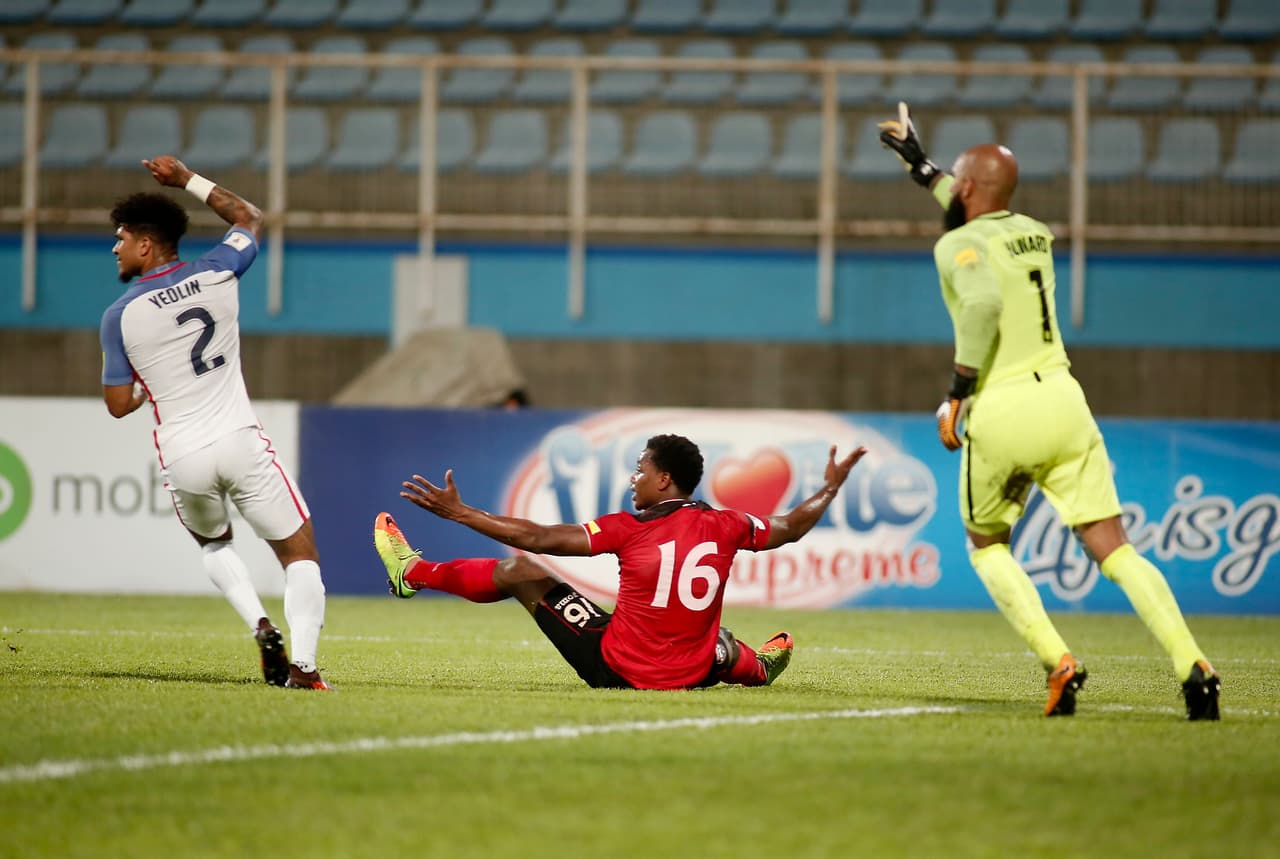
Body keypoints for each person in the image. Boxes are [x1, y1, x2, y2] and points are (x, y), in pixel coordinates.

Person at [878, 103, 1220, 719]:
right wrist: (922, 165)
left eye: (958, 178)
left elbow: (980, 305)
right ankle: (1192, 663)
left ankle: (1058, 661)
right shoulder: (1029, 231)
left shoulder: (959, 242)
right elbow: (971, 207)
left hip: (1003, 405)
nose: (951, 187)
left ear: (973, 188)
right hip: (1064, 399)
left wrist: (958, 392)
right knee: (1115, 547)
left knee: (986, 543)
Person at [374, 435, 867, 690]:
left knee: (520, 571)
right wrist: (831, 487)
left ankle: (412, 573)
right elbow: (791, 526)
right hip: (690, 673)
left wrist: (461, 513)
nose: (634, 478)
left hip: (615, 666)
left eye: (641, 470)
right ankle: (755, 668)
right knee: (718, 643)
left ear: (665, 481)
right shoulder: (730, 524)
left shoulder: (628, 529)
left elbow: (538, 538)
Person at [99, 156, 330, 690]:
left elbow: (116, 404)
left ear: (146, 246)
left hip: (183, 454)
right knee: (300, 555)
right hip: (240, 441)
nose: (115, 247)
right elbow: (249, 217)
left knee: (216, 546)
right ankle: (306, 670)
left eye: (121, 237)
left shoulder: (119, 316)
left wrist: (147, 388)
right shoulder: (218, 270)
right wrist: (187, 180)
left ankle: (260, 624)